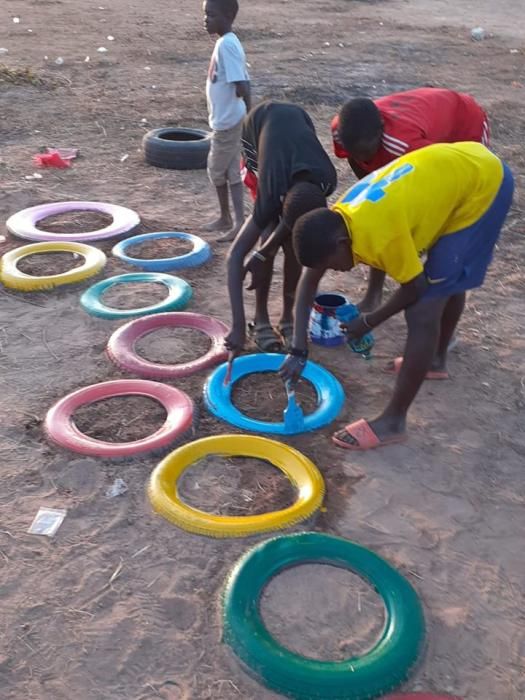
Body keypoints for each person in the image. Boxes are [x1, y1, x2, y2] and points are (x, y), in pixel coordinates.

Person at [281, 141, 514, 451]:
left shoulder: (380, 234)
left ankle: (393, 421)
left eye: (331, 265)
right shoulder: (336, 220)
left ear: (340, 243)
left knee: (423, 309)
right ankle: (435, 359)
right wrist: (298, 349)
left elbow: (414, 287)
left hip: (483, 186)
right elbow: (310, 280)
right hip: (456, 172)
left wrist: (369, 321)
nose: (333, 271)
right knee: (445, 277)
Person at [331, 87, 490, 311]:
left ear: (380, 134)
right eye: (355, 152)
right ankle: (373, 296)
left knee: (449, 239)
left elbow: (443, 183)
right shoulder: (343, 131)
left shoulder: (406, 146)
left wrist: (419, 241)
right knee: (380, 218)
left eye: (366, 153)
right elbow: (359, 166)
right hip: (426, 126)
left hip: (464, 129)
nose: (361, 158)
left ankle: (442, 317)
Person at [225, 100, 337, 355]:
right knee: (266, 232)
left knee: (296, 247)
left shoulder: (327, 180)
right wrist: (238, 326)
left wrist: (266, 249)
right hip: (258, 129)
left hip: (299, 119)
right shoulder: (270, 190)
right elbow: (234, 257)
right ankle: (260, 319)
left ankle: (288, 317)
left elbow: (295, 225)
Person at [202, 0, 251, 242]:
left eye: (211, 15)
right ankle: (233, 220)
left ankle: (230, 218)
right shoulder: (225, 43)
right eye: (205, 15)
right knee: (231, 171)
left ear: (227, 16)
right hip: (227, 118)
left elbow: (242, 84)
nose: (206, 20)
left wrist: (248, 115)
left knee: (215, 169)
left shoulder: (227, 46)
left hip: (228, 121)